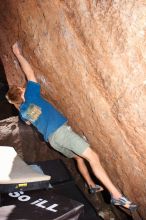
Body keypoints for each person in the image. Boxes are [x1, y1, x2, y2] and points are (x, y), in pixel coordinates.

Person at [6, 42, 137, 211]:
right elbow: (29, 72)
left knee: (79, 158)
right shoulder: (30, 95)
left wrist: (18, 103)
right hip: (61, 133)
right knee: (93, 157)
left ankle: (90, 184)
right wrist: (18, 54)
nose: (23, 86)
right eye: (21, 87)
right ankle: (116, 196)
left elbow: (30, 121)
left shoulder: (23, 112)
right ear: (20, 90)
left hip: (54, 141)